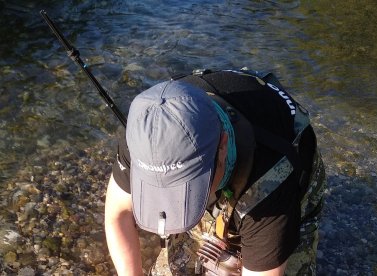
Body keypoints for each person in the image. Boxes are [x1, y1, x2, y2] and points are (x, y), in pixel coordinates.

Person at [104, 68, 326, 276]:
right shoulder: (149, 131)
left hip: (285, 178)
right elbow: (118, 214)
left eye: (187, 189)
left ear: (223, 145)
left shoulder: (270, 183)